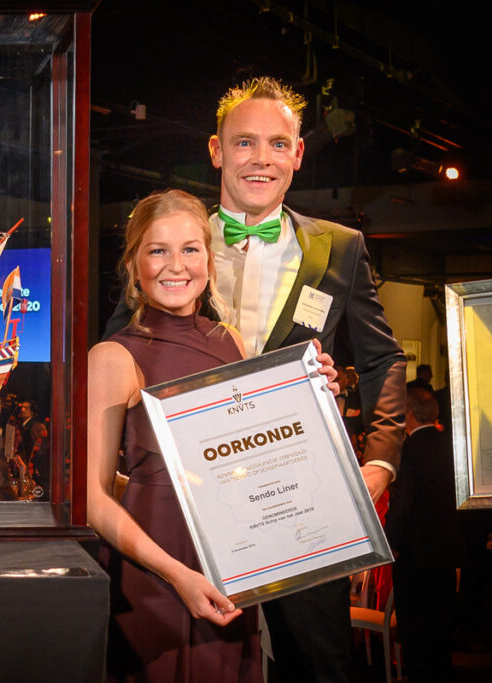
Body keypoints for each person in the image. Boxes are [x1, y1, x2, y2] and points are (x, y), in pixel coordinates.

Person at [103, 77, 406, 682]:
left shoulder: (340, 248)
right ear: (217, 151)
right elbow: (122, 345)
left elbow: (382, 359)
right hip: (193, 505)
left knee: (319, 665)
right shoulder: (176, 244)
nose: (260, 159)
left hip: (300, 499)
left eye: (277, 144)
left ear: (298, 154)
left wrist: (380, 461)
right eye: (244, 142)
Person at [89, 189, 340, 681]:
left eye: (190, 249)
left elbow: (256, 453)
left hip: (231, 562)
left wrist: (313, 392)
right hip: (156, 569)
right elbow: (93, 499)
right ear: (134, 264)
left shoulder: (230, 342)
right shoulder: (114, 356)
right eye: (157, 250)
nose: (175, 265)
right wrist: (177, 575)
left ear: (208, 258)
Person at [384, 388, 464, 682]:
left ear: (409, 415)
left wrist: (389, 542)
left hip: (415, 552)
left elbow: (402, 502)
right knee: (441, 623)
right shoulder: (452, 446)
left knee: (415, 626)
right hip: (446, 550)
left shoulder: (409, 449)